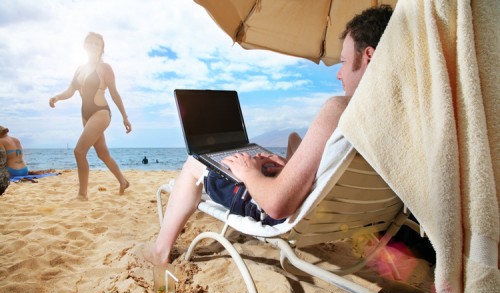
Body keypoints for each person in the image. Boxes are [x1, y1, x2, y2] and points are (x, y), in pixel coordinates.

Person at [145, 6, 394, 268]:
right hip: (344, 215)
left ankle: (159, 253)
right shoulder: (399, 118)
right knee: (294, 139)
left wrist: (249, 171)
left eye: (343, 62)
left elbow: (276, 205)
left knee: (195, 163)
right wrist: (291, 170)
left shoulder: (339, 109)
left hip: (284, 214)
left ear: (368, 56)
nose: (339, 73)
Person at [49, 32, 131, 200]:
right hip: (85, 115)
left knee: (79, 151)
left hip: (101, 112)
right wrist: (57, 97)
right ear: (85, 45)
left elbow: (114, 93)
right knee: (103, 154)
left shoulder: (105, 68)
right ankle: (123, 181)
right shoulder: (80, 69)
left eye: (97, 44)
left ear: (102, 48)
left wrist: (125, 117)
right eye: (91, 43)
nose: (94, 46)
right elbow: (71, 90)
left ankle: (82, 195)